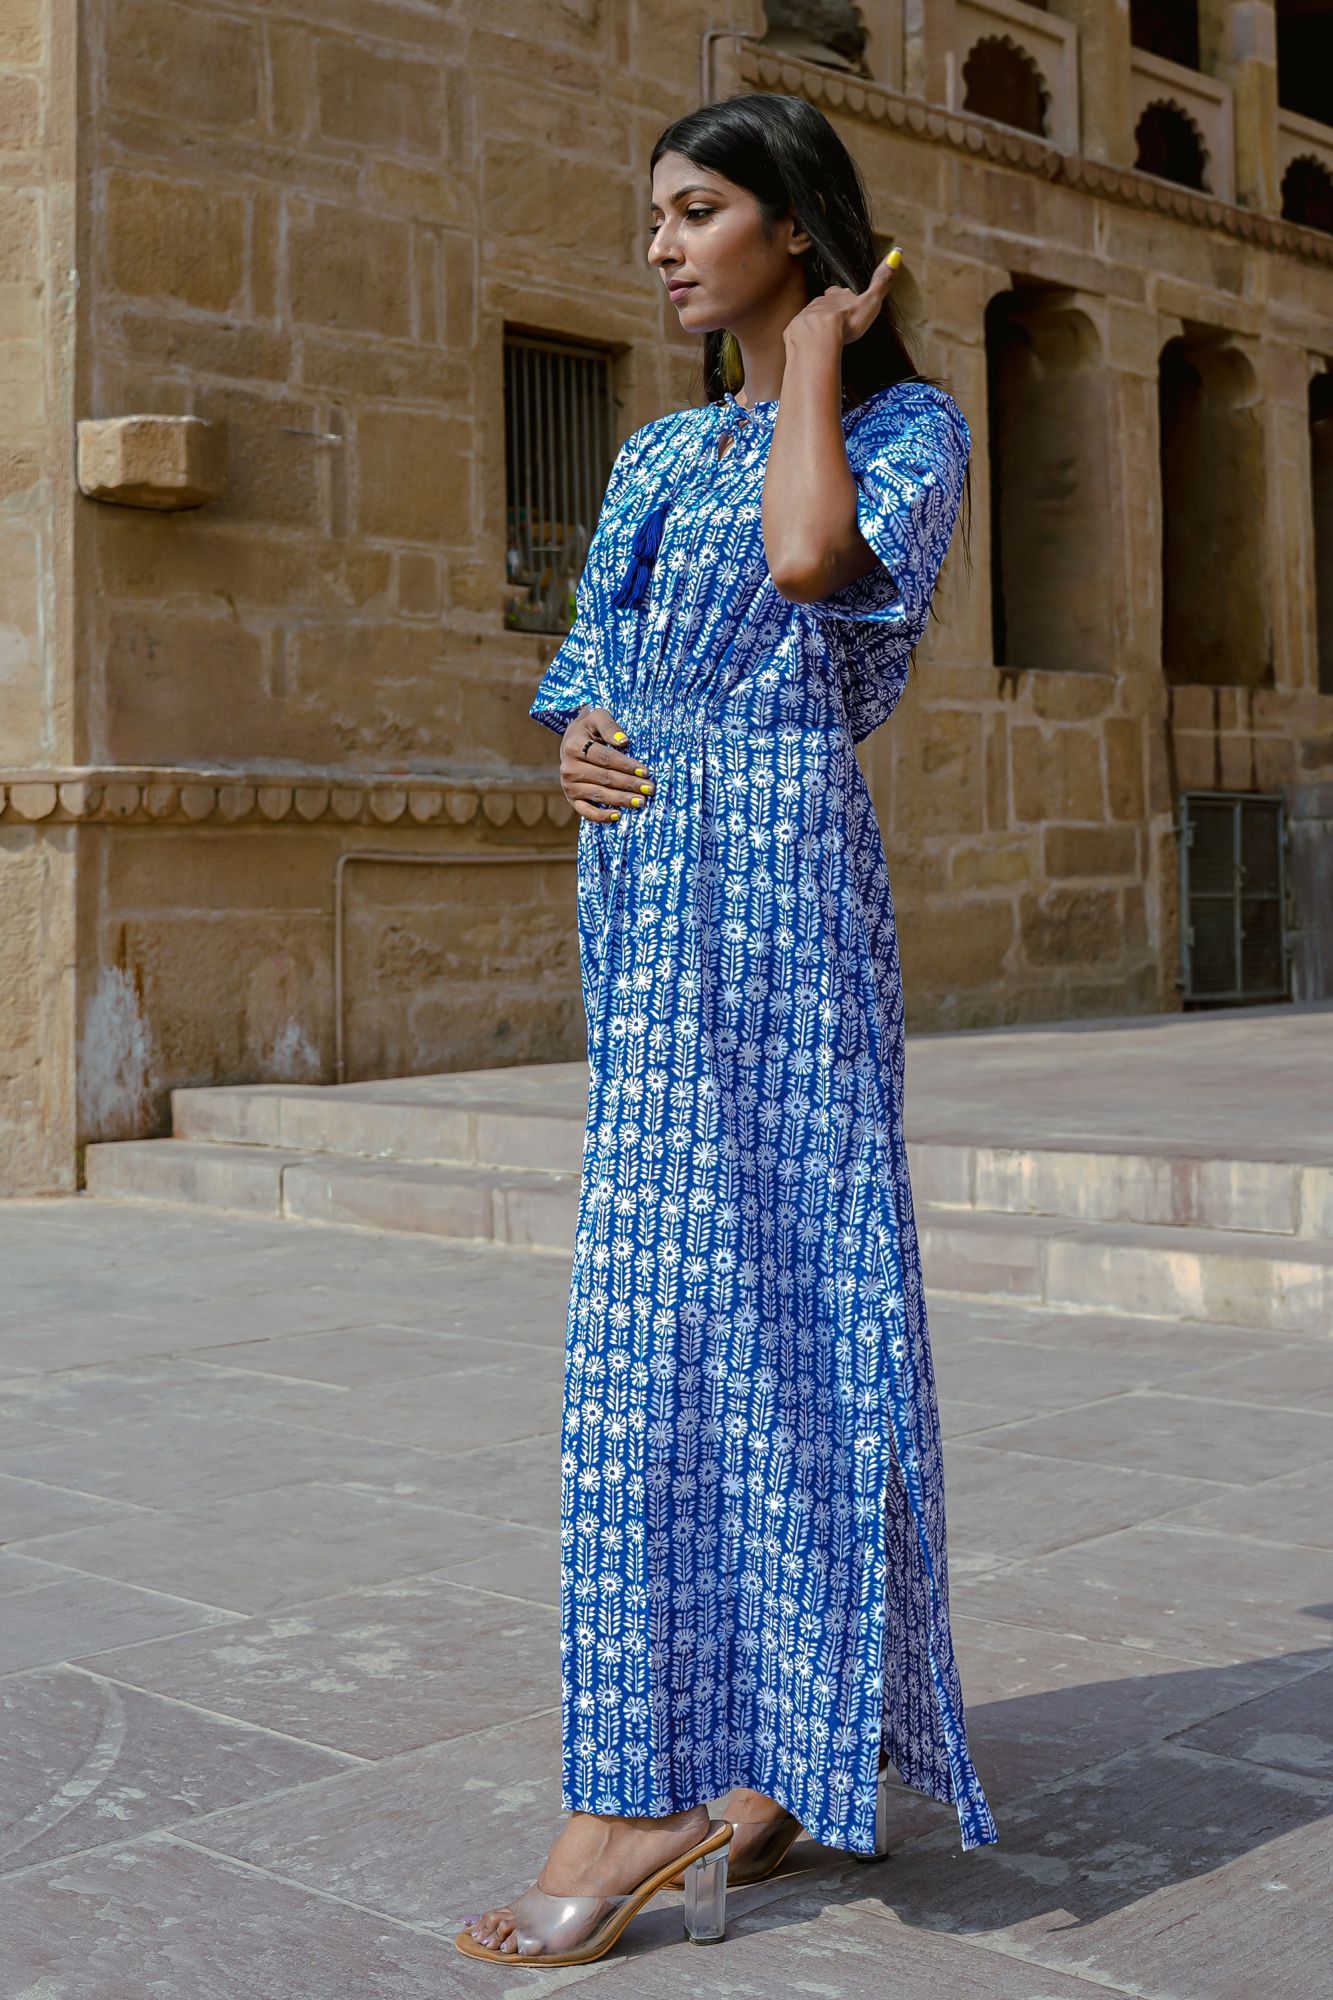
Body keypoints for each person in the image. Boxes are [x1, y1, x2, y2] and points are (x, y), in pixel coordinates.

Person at [455, 89, 999, 1969]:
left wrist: (823, 360)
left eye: (698, 211)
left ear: (796, 225)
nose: (664, 245)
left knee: (785, 1296)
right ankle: (725, 1766)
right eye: (657, 215)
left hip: (781, 884)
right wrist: (578, 748)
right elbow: (588, 666)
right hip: (645, 894)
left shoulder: (904, 430)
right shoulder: (651, 452)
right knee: (658, 1318)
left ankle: (690, 1786)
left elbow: (806, 571)